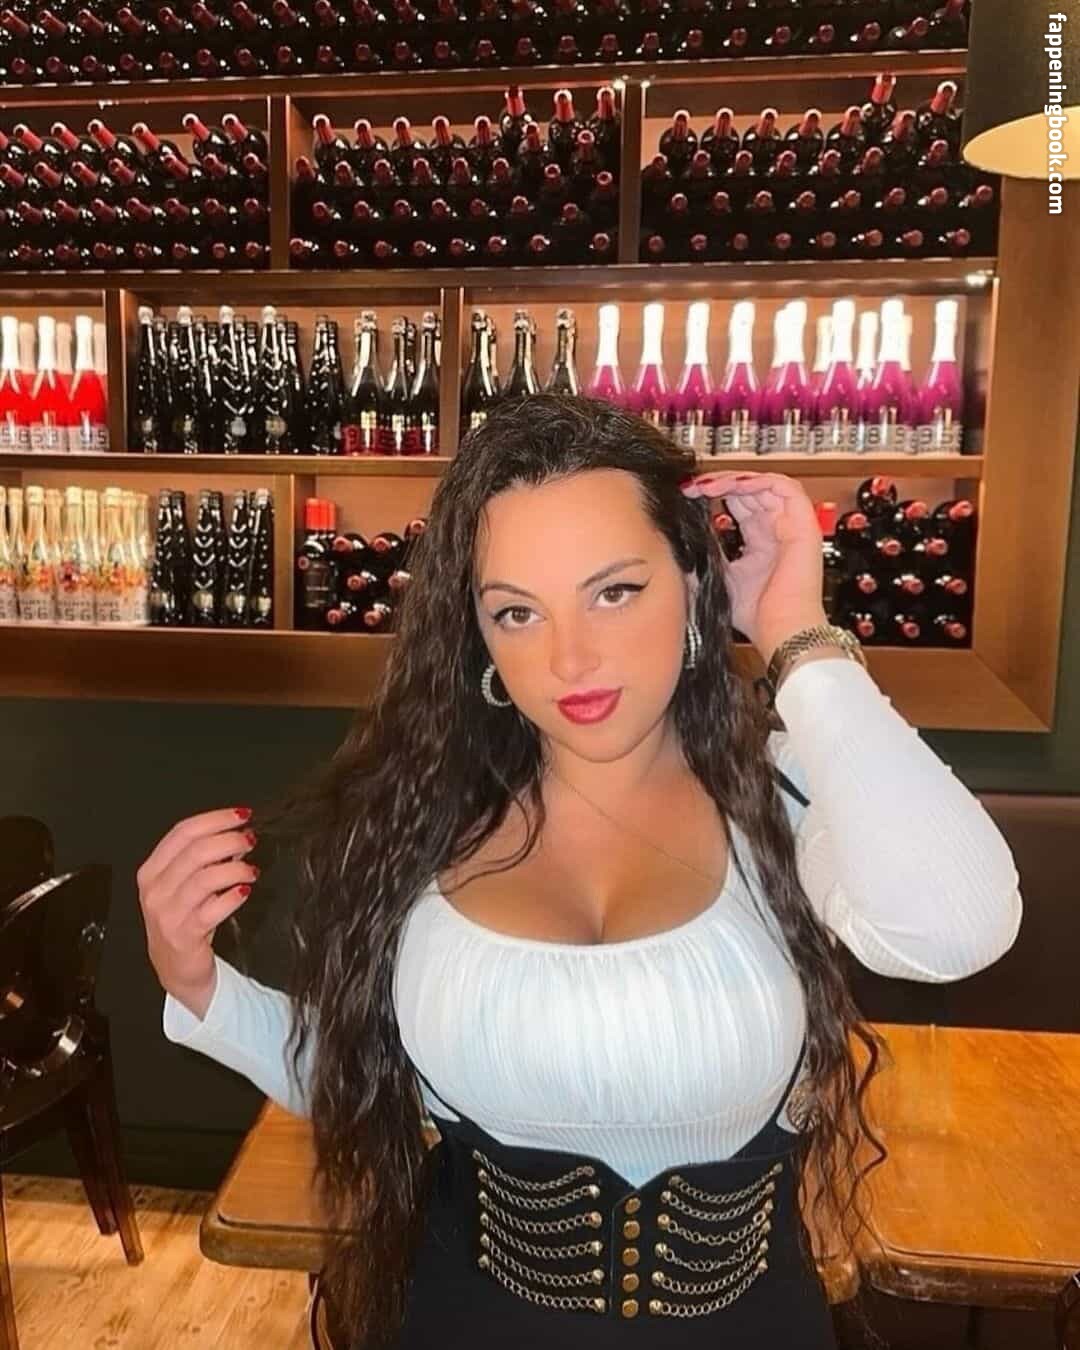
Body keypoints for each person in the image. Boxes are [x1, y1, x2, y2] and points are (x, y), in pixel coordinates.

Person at [137, 393, 1023, 1350]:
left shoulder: (785, 795)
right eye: (517, 612)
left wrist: (797, 635)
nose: (569, 658)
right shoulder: (424, 821)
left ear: (693, 579)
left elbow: (955, 928)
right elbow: (362, 1084)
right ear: (478, 634)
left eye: (614, 592)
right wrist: (198, 984)